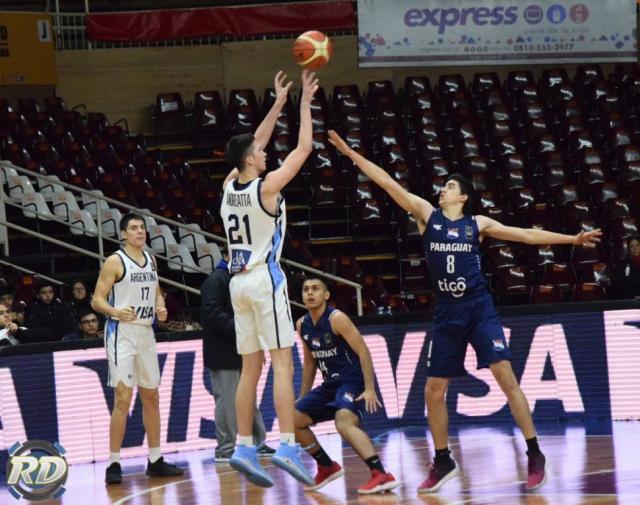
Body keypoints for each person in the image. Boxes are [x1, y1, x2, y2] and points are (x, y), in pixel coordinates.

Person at [327, 129, 602, 493]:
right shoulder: (427, 215)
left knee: (505, 376)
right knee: (433, 390)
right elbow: (388, 183)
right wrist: (350, 154)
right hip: (447, 313)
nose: (442, 190)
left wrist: (572, 240)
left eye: (449, 187)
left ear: (464, 196)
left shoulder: (478, 224)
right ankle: (443, 460)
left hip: (478, 308)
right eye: (442, 186)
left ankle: (534, 452)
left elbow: (524, 235)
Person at [219, 69, 318, 488]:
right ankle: (287, 444)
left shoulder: (228, 185)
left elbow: (253, 142)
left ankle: (243, 445)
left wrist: (276, 102)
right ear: (249, 161)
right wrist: (303, 105)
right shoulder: (268, 188)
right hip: (264, 279)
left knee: (249, 369)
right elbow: (305, 147)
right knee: (282, 363)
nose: (264, 154)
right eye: (258, 153)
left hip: (236, 283)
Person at [91, 212, 183, 485]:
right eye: (133, 228)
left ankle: (155, 459)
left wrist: (161, 305)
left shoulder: (152, 259)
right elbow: (96, 300)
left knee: (151, 396)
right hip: (121, 333)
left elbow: (155, 290)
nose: (140, 232)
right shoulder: (115, 261)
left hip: (145, 332)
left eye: (142, 228)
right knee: (122, 398)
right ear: (123, 234)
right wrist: (116, 311)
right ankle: (113, 463)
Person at [295, 277, 400, 494]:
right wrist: (302, 397)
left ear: (326, 295)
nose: (310, 293)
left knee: (343, 422)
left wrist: (369, 388)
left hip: (353, 380)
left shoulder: (337, 318)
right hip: (330, 384)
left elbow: (363, 351)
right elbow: (309, 362)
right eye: (306, 290)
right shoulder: (301, 324)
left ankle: (381, 474)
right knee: (292, 419)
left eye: (315, 289)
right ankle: (326, 466)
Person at [200, 245, 275, 462]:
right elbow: (211, 314)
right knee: (227, 401)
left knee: (247, 398)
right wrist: (243, 330)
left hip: (243, 349)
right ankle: (225, 449)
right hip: (223, 352)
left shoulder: (240, 279)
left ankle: (257, 442)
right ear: (226, 255)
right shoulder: (216, 280)